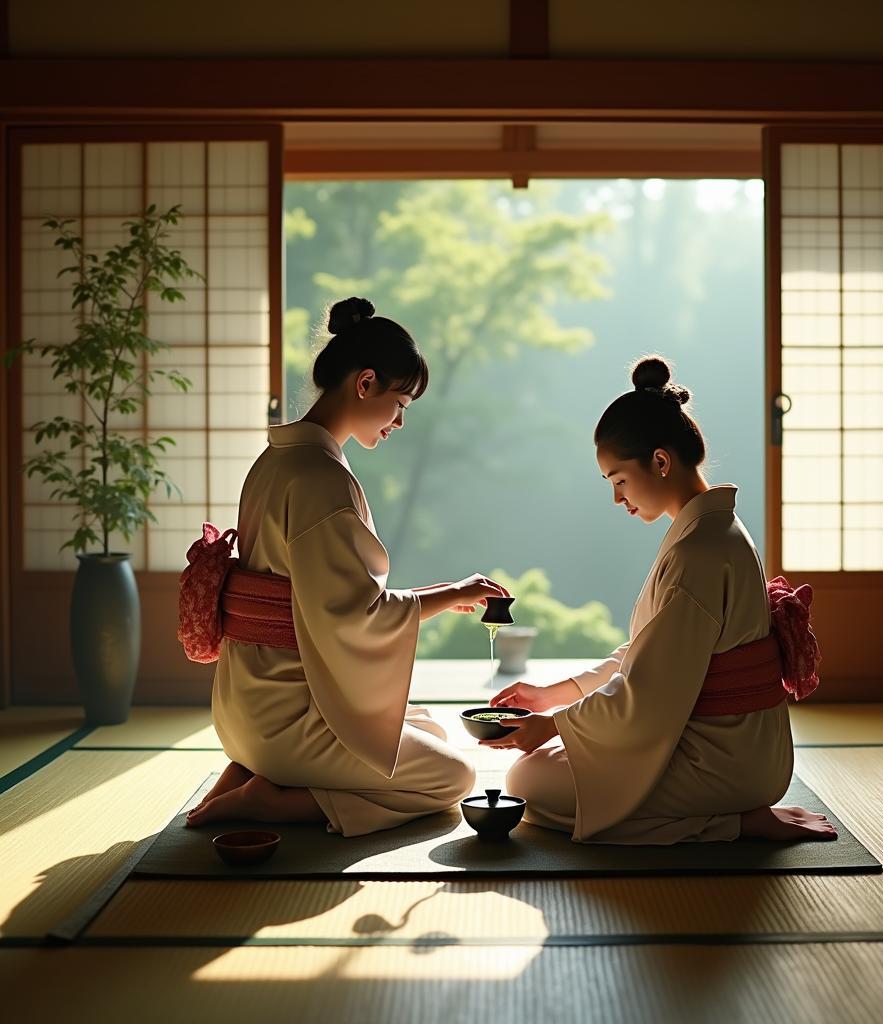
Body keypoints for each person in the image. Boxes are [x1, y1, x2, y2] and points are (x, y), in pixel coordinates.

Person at [186, 297, 508, 834]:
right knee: (453, 776)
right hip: (284, 719)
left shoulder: (276, 461)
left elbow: (326, 602)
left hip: (242, 708)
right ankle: (276, 800)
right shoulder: (321, 478)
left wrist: (448, 590)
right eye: (399, 402)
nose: (400, 421)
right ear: (365, 384)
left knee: (429, 726)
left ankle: (255, 771)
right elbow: (355, 617)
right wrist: (450, 595)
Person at [485, 355, 836, 845]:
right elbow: (648, 659)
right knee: (541, 769)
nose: (617, 499)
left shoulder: (701, 550)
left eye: (619, 481)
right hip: (738, 748)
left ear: (661, 461)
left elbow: (646, 698)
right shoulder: (714, 531)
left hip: (723, 763)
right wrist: (558, 696)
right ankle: (728, 812)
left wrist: (553, 726)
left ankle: (730, 821)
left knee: (529, 783)